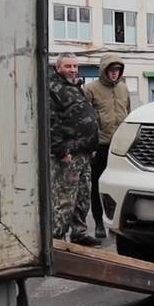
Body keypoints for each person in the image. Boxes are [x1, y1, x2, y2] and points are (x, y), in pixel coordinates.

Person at [49, 53, 101, 247]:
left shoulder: (76, 87)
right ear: (58, 68)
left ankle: (79, 233)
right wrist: (61, 150)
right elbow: (50, 122)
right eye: (68, 66)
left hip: (84, 153)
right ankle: (57, 239)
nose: (72, 70)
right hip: (68, 154)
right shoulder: (53, 88)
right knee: (64, 199)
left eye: (74, 66)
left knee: (83, 196)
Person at [85, 55, 131, 239]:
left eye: (118, 70)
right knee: (97, 186)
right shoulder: (90, 89)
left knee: (118, 185)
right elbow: (85, 119)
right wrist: (90, 144)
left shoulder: (124, 88)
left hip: (119, 147)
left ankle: (115, 221)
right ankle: (98, 222)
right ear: (104, 70)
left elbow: (128, 113)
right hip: (100, 146)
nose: (114, 73)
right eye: (111, 70)